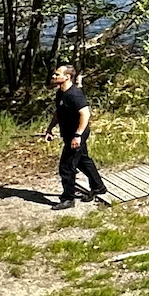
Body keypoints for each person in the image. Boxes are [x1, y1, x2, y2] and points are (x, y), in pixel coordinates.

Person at [42, 65, 107, 207]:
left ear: (67, 77)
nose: (53, 76)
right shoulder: (60, 93)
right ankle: (98, 187)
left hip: (77, 134)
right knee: (83, 160)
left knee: (66, 166)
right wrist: (49, 129)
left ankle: (68, 199)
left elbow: (85, 114)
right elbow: (59, 113)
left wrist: (77, 135)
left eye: (57, 74)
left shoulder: (74, 94)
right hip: (68, 133)